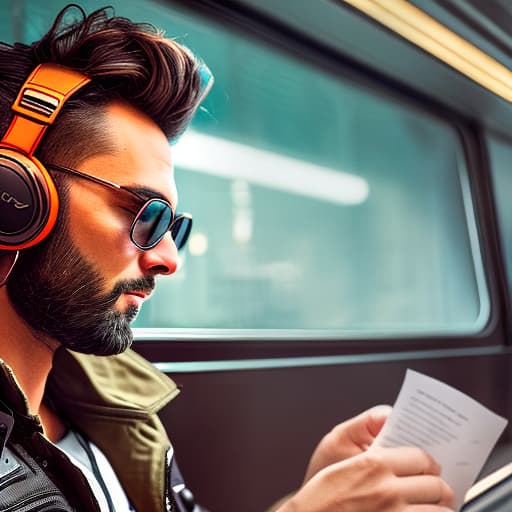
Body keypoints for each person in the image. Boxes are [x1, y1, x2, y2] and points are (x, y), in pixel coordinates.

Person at [0, 4, 455, 512]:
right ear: (13, 198)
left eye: (174, 227)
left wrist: (311, 498)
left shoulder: (111, 409)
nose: (168, 259)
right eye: (144, 213)